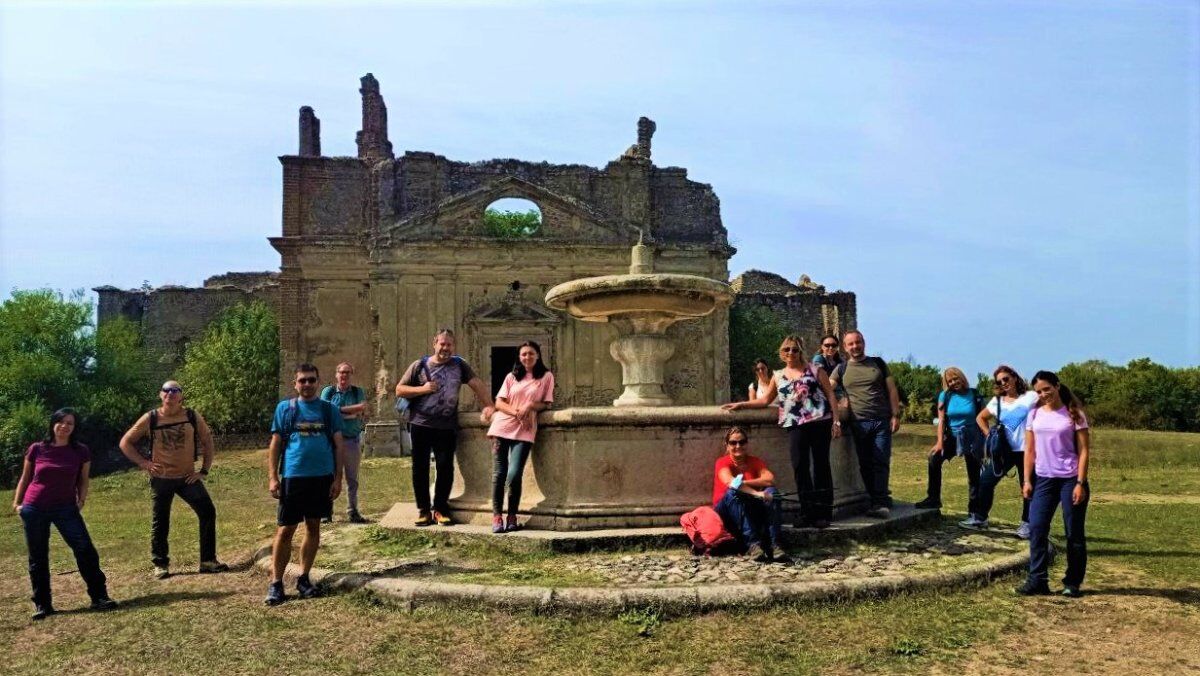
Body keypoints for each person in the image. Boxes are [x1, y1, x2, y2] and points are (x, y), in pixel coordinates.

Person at [724, 335, 841, 528]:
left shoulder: (815, 370)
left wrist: (836, 421)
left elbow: (830, 394)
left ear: (800, 352)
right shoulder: (778, 376)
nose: (791, 353)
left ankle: (823, 513)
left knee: (821, 467)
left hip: (819, 422)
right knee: (800, 467)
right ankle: (807, 512)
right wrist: (741, 403)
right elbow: (764, 401)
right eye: (787, 349)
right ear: (782, 353)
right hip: (795, 425)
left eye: (795, 349)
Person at [12, 408, 118, 620]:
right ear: (53, 424)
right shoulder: (37, 449)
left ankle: (99, 597)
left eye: (70, 423)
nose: (65, 426)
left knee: (85, 549)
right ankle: (43, 604)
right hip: (35, 508)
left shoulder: (80, 450)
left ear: (74, 427)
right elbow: (25, 478)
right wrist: (17, 504)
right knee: (38, 557)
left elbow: (84, 479)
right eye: (61, 422)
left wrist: (81, 499)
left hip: (65, 508)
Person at [119, 380, 227, 579]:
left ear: (181, 396)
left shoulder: (191, 416)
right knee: (161, 521)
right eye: (166, 390)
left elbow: (207, 441)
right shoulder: (150, 418)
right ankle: (160, 564)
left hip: (187, 478)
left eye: (175, 390)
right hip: (162, 479)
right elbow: (125, 442)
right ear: (161, 395)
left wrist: (203, 470)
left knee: (207, 511)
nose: (171, 393)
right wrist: (144, 463)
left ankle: (208, 561)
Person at [395, 328, 495, 527]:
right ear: (435, 344)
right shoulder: (419, 365)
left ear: (453, 346)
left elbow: (477, 384)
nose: (445, 348)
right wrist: (422, 389)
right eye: (442, 344)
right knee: (420, 469)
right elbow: (399, 389)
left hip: (446, 426)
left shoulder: (460, 365)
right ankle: (424, 511)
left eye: (449, 344)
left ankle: (440, 509)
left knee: (445, 467)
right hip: (420, 424)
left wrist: (490, 406)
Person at [265, 363, 345, 606]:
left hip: (321, 477)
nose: (307, 385)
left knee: (313, 526)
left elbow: (338, 444)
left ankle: (303, 578)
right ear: (295, 384)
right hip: (293, 476)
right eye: (303, 381)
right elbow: (276, 444)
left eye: (311, 380)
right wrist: (273, 477)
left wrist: (337, 478)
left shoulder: (329, 410)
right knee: (285, 530)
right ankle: (276, 583)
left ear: (318, 382)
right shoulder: (285, 409)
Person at [1016, 370, 1091, 598]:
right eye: (1039, 391)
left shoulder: (1074, 413)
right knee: (1037, 527)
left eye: (1047, 389)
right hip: (1044, 479)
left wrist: (1080, 482)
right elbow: (1029, 450)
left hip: (1070, 478)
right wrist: (1027, 480)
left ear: (1057, 386)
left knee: (1073, 532)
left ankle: (1073, 582)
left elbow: (1084, 450)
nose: (1043, 394)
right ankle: (1038, 579)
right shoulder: (1034, 414)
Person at [827, 330, 901, 518]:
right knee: (865, 464)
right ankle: (874, 500)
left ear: (863, 342)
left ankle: (880, 502)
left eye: (858, 342)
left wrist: (895, 415)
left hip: (881, 421)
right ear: (845, 348)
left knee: (881, 461)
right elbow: (827, 388)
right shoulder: (841, 369)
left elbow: (892, 390)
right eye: (850, 344)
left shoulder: (878, 363)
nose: (855, 346)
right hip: (858, 423)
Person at [486, 341, 555, 533]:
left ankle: (512, 516)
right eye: (524, 354)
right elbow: (499, 403)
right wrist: (517, 411)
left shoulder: (546, 377)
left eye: (531, 353)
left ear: (538, 355)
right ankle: (497, 516)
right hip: (502, 427)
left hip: (525, 430)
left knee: (514, 474)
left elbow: (546, 403)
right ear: (519, 356)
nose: (527, 357)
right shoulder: (511, 376)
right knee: (499, 474)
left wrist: (530, 406)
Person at [914, 367, 986, 527]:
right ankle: (933, 498)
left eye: (956, 379)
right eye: (950, 381)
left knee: (974, 475)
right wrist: (940, 442)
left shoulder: (974, 394)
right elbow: (941, 421)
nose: (954, 383)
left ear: (962, 377)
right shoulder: (945, 396)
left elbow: (982, 418)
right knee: (934, 458)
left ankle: (974, 512)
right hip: (953, 436)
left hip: (972, 436)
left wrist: (985, 441)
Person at [975, 365, 1040, 539]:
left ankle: (1027, 523)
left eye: (1006, 379)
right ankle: (980, 517)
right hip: (1005, 450)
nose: (1004, 383)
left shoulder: (1031, 397)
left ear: (1014, 377)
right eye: (999, 381)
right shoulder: (997, 402)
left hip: (1028, 449)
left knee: (1027, 486)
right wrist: (990, 435)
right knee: (986, 480)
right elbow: (980, 417)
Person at [710, 427, 788, 563]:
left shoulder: (755, 461)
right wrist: (757, 493)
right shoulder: (722, 462)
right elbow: (730, 483)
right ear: (727, 445)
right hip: (727, 513)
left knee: (773, 492)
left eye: (742, 442)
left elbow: (770, 479)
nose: (738, 446)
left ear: (747, 443)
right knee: (733, 492)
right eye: (733, 443)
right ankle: (753, 545)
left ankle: (775, 545)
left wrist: (744, 482)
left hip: (750, 507)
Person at [320, 362, 368, 524]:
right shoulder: (329, 391)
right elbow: (325, 412)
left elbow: (361, 408)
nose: (344, 375)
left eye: (347, 372)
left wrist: (337, 411)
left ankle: (352, 511)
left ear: (351, 375)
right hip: (331, 442)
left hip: (351, 441)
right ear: (336, 374)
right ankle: (326, 511)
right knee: (329, 476)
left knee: (352, 479)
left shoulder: (357, 391)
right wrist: (350, 413)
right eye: (341, 372)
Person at [811, 333, 848, 407]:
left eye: (833, 345)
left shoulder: (840, 361)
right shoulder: (818, 359)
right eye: (827, 345)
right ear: (822, 347)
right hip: (825, 394)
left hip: (840, 393)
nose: (831, 348)